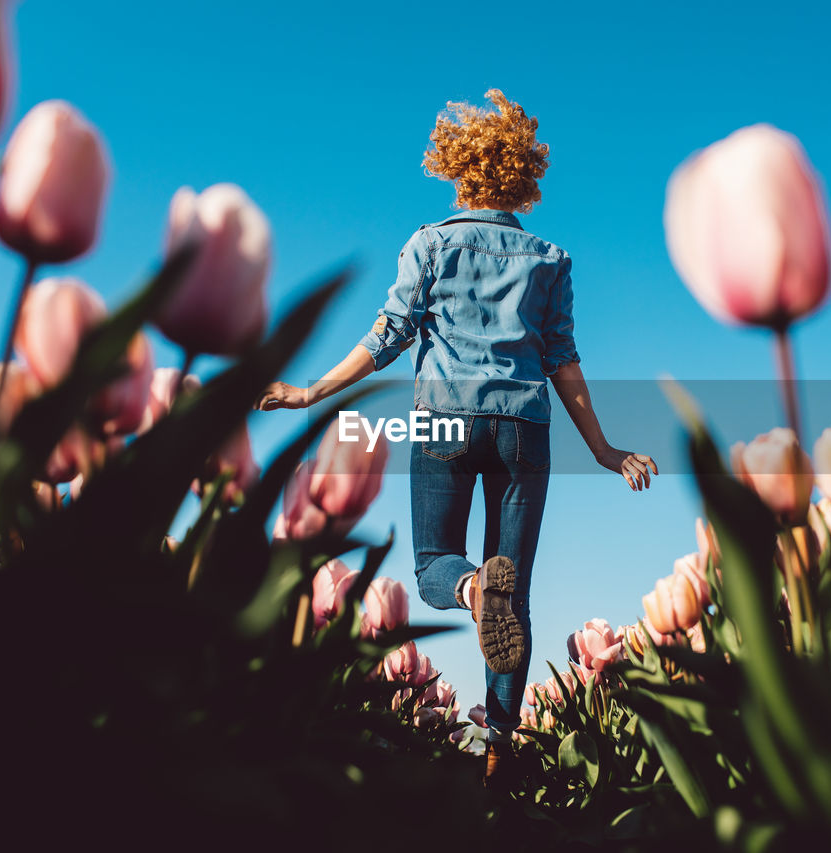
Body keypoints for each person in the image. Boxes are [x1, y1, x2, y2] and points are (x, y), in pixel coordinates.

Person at [258, 89, 656, 787]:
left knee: (436, 561)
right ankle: (501, 746)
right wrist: (604, 448)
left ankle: (471, 589)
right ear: (522, 178)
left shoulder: (431, 243)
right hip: (526, 425)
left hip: (445, 416)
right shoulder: (550, 259)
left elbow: (388, 336)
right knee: (519, 591)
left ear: (460, 169)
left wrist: (312, 391)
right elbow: (563, 359)